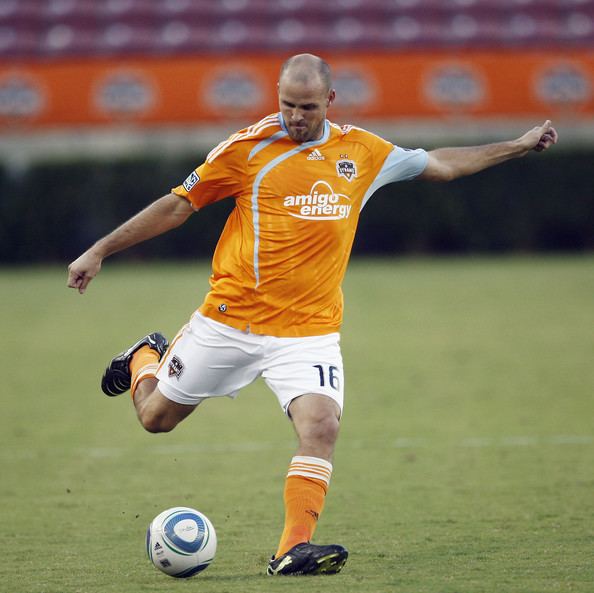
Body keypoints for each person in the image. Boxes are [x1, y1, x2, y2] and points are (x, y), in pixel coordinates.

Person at [67, 53, 558, 576]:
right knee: (155, 420)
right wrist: (100, 250)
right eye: (286, 105)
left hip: (309, 331)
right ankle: (146, 356)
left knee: (321, 426)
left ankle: (291, 550)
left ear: (330, 100)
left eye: (305, 106)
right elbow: (177, 205)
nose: (294, 117)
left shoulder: (363, 151)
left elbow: (440, 164)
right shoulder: (246, 149)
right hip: (231, 320)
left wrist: (518, 146)